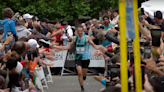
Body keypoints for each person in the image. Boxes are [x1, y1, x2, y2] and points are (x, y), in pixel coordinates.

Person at [54, 26, 99, 92]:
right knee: (79, 72)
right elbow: (69, 47)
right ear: (77, 32)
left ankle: (84, 76)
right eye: (79, 31)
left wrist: (99, 49)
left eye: (81, 31)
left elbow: (93, 45)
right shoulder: (75, 38)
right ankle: (82, 87)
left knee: (84, 74)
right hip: (78, 58)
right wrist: (59, 48)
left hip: (86, 58)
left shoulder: (87, 37)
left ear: (83, 31)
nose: (80, 32)